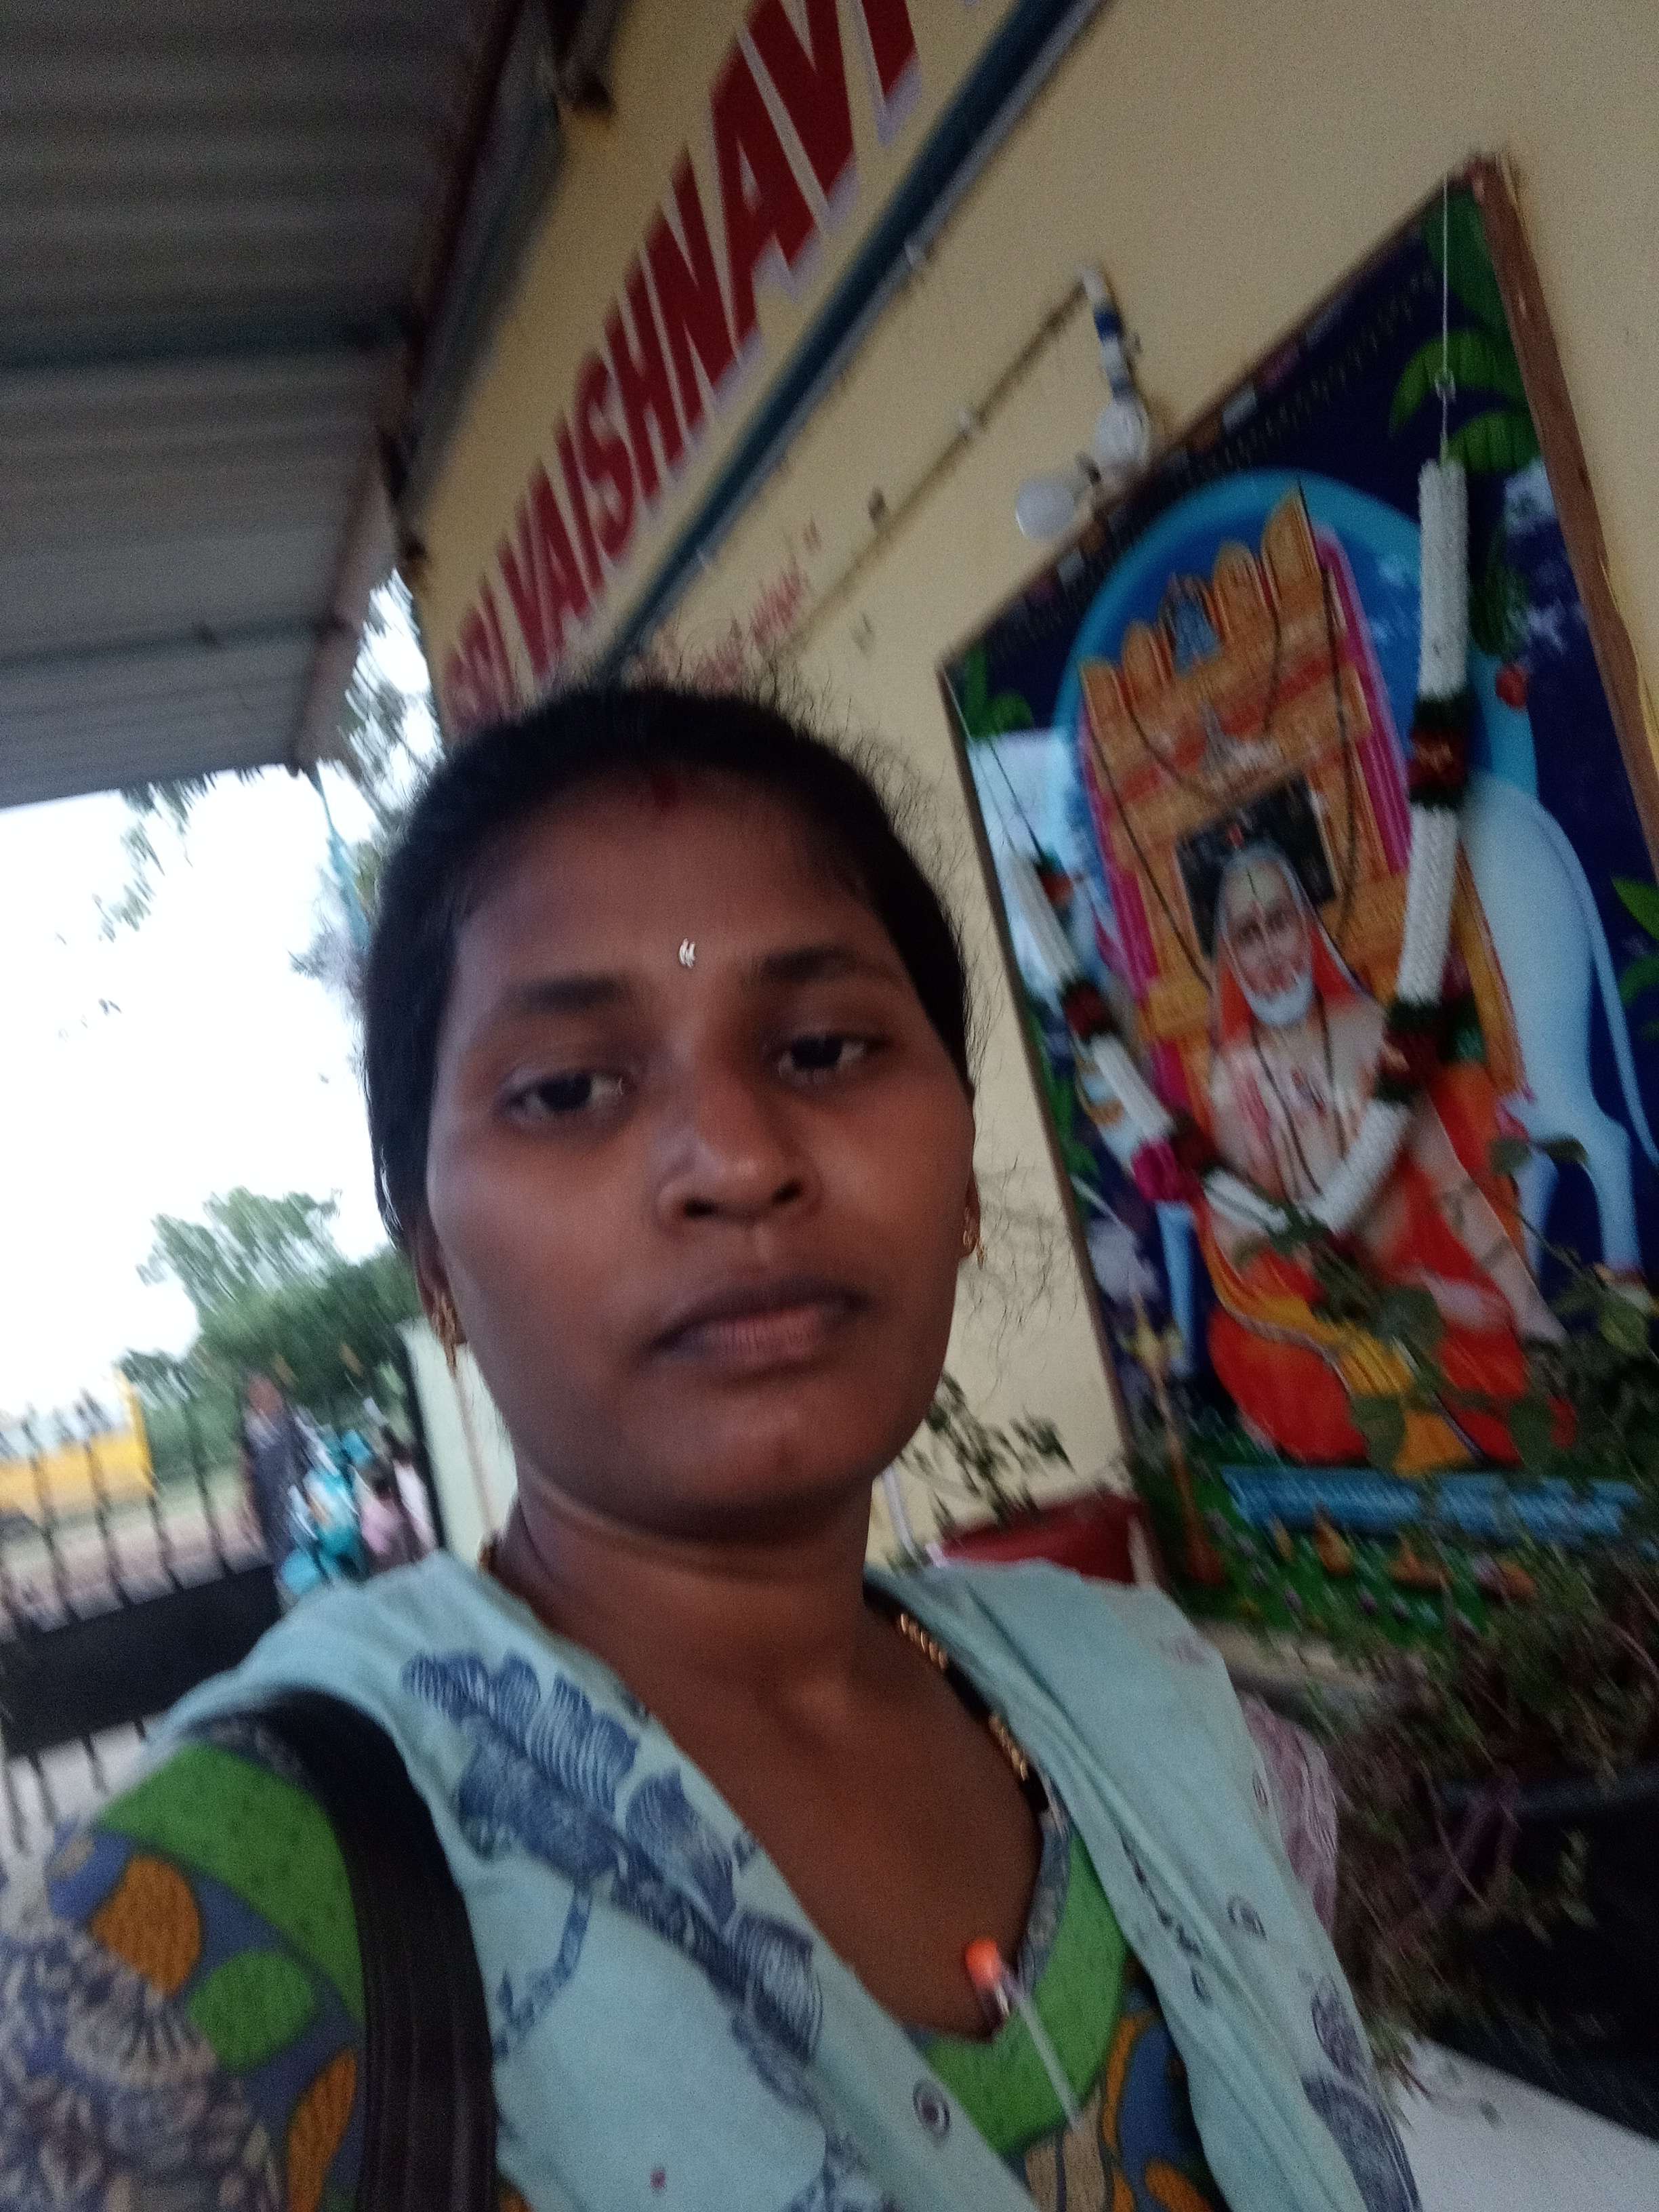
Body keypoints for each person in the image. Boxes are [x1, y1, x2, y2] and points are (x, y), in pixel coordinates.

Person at [0, 686, 1408, 2212]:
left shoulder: (1177, 1731)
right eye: (566, 1089)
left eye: (823, 1048)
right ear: (435, 1265)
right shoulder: (190, 1940)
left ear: (963, 1179)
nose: (736, 1160)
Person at [1196, 842, 1559, 1469]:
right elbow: (1238, 1238)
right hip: (1320, 1307)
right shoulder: (1233, 1074)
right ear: (1231, 955)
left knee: (1497, 1366)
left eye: (1280, 922)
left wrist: (1528, 1306)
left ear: (1307, 928)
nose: (1271, 951)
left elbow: (1449, 1181)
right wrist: (1264, 1171)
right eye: (1249, 934)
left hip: (1413, 1281)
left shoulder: (1370, 1030)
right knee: (1267, 1361)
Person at [239, 1370, 312, 1567]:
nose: (264, 1398)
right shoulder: (249, 1430)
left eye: (269, 1391)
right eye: (257, 1394)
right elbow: (247, 1471)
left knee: (305, 1540)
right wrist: (247, 1509)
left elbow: (310, 1456)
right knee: (279, 1550)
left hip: (297, 1493)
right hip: (267, 1501)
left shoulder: (293, 1420)